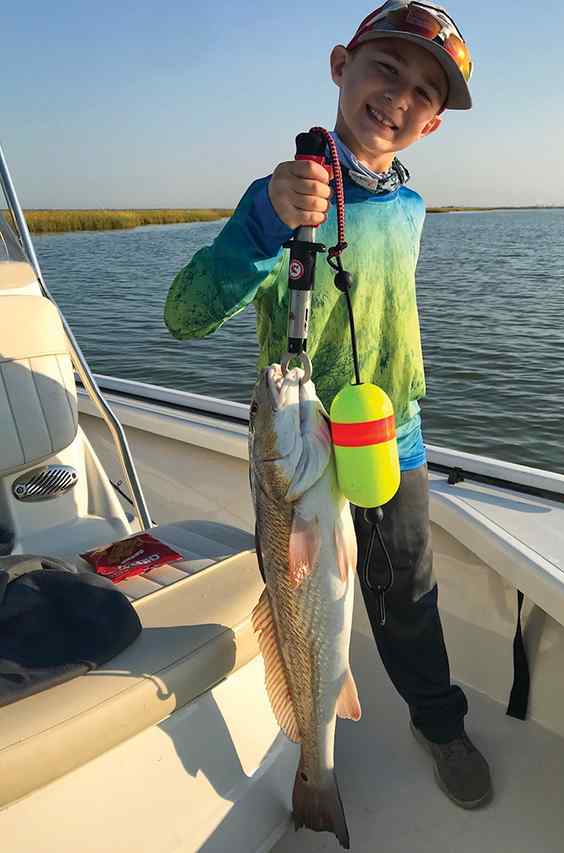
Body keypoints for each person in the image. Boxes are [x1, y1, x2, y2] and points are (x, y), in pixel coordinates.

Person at [164, 0, 491, 810]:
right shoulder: (281, 195)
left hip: (391, 434)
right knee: (302, 590)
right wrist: (265, 225)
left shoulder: (409, 207)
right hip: (297, 442)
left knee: (408, 592)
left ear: (435, 125)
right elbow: (184, 313)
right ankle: (311, 725)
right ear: (341, 65)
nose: (400, 97)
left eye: (426, 92)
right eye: (386, 68)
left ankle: (437, 721)